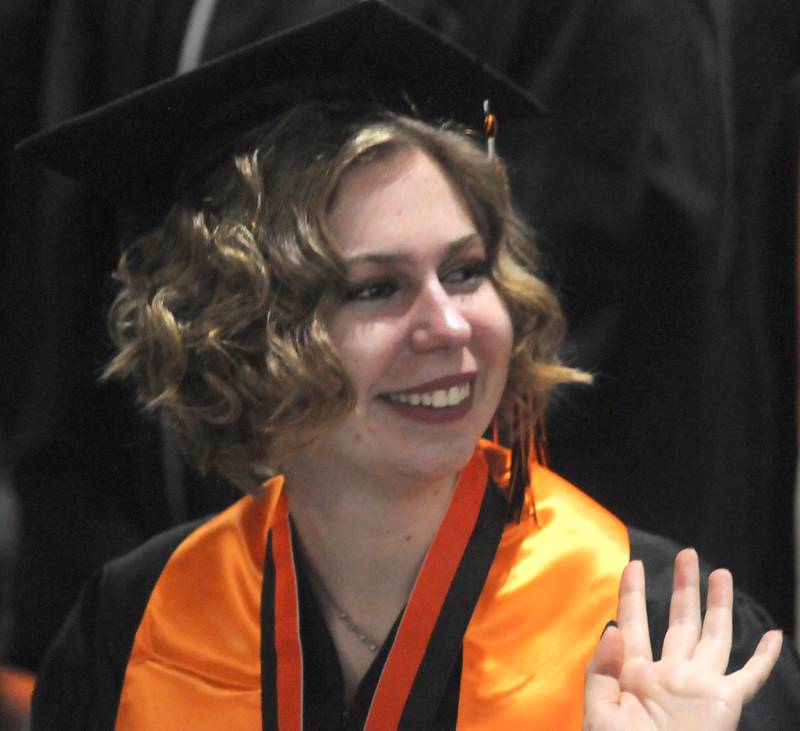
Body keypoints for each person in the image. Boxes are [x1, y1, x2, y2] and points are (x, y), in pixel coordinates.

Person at [17, 2, 800, 728]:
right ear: (244, 336)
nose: (450, 323)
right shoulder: (135, 629)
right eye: (376, 288)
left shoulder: (669, 640)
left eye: (465, 270)